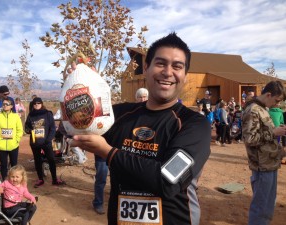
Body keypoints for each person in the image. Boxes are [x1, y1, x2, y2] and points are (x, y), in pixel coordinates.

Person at [70, 32, 211, 225]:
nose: (168, 72)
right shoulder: (119, 115)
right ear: (146, 68)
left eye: (177, 66)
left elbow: (168, 180)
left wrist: (108, 153)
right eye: (160, 63)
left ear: (185, 76)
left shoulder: (194, 125)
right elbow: (76, 128)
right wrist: (80, 86)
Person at [242, 80, 286, 225]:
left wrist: (281, 152)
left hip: (270, 164)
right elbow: (249, 138)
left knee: (267, 208)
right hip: (262, 168)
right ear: (268, 94)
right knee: (261, 210)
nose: (277, 104)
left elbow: (266, 140)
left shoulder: (262, 109)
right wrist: (273, 132)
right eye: (277, 100)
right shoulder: (253, 110)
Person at [25, 97, 65, 188]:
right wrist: (29, 130)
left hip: (46, 142)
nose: (36, 105)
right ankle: (40, 179)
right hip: (35, 143)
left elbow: (52, 128)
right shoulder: (31, 115)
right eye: (35, 103)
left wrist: (49, 139)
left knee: (51, 160)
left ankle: (54, 179)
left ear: (42, 104)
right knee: (37, 161)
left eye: (38, 103)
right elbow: (26, 127)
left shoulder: (47, 114)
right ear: (33, 105)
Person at [0, 98, 23, 180]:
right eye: (3, 104)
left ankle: (15, 183)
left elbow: (20, 130)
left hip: (13, 145)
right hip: (1, 146)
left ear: (11, 106)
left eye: (6, 104)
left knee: (14, 166)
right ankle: (5, 182)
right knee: (3, 166)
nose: (4, 106)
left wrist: (17, 140)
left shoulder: (16, 116)